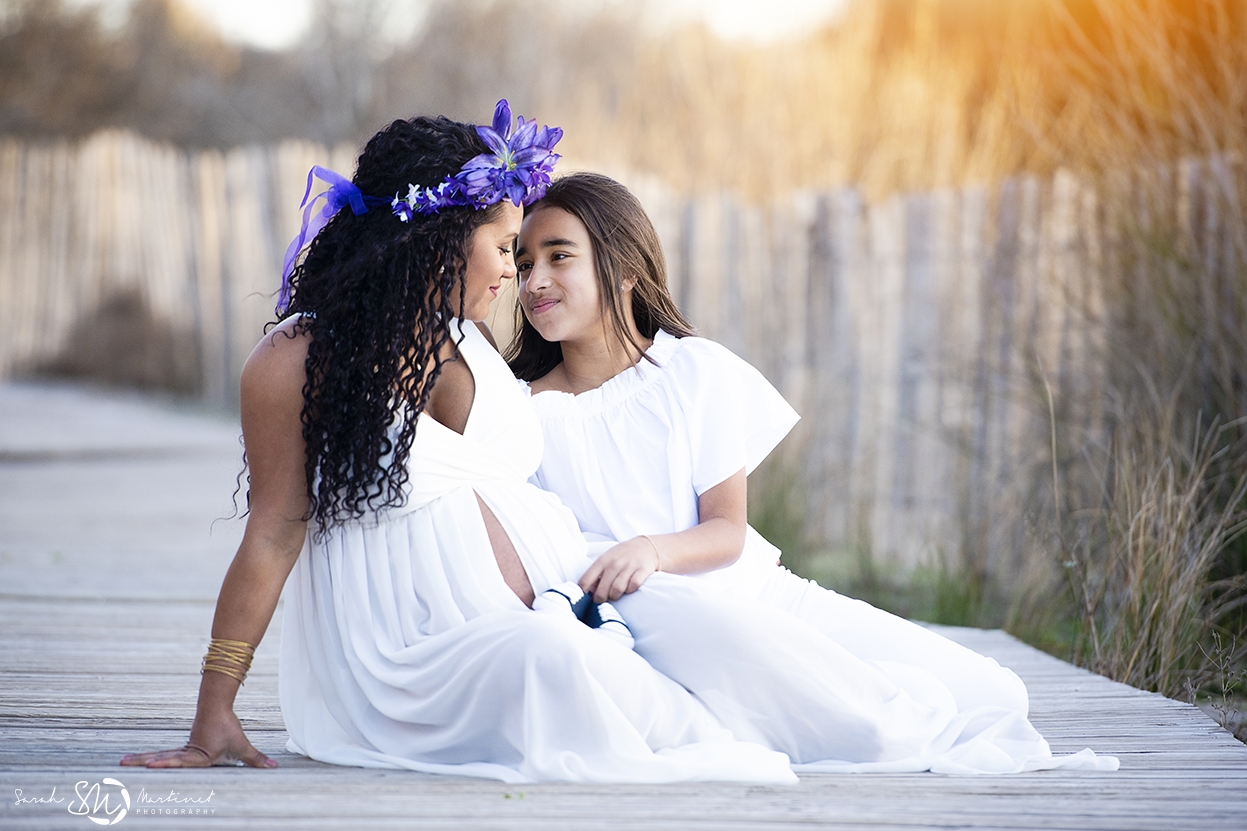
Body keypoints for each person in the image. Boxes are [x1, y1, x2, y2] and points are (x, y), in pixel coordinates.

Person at [120, 105, 794, 784]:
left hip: (556, 593)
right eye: (504, 247)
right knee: (552, 660)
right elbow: (271, 534)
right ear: (439, 236)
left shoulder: (470, 340)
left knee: (724, 640)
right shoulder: (296, 359)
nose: (515, 275)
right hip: (409, 651)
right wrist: (214, 710)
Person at [509, 172, 1119, 774]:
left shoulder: (692, 370)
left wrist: (650, 548)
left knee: (996, 694)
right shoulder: (521, 411)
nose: (535, 280)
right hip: (667, 624)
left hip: (768, 596)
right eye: (524, 261)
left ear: (623, 269)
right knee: (872, 726)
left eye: (559, 257)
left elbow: (726, 534)